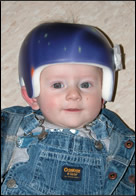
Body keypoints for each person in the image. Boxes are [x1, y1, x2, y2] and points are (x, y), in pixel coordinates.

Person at [1, 22, 135, 195]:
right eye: (58, 85)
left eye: (86, 84)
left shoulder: (122, 145)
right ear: (31, 96)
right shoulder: (9, 128)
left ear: (103, 94)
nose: (74, 94)